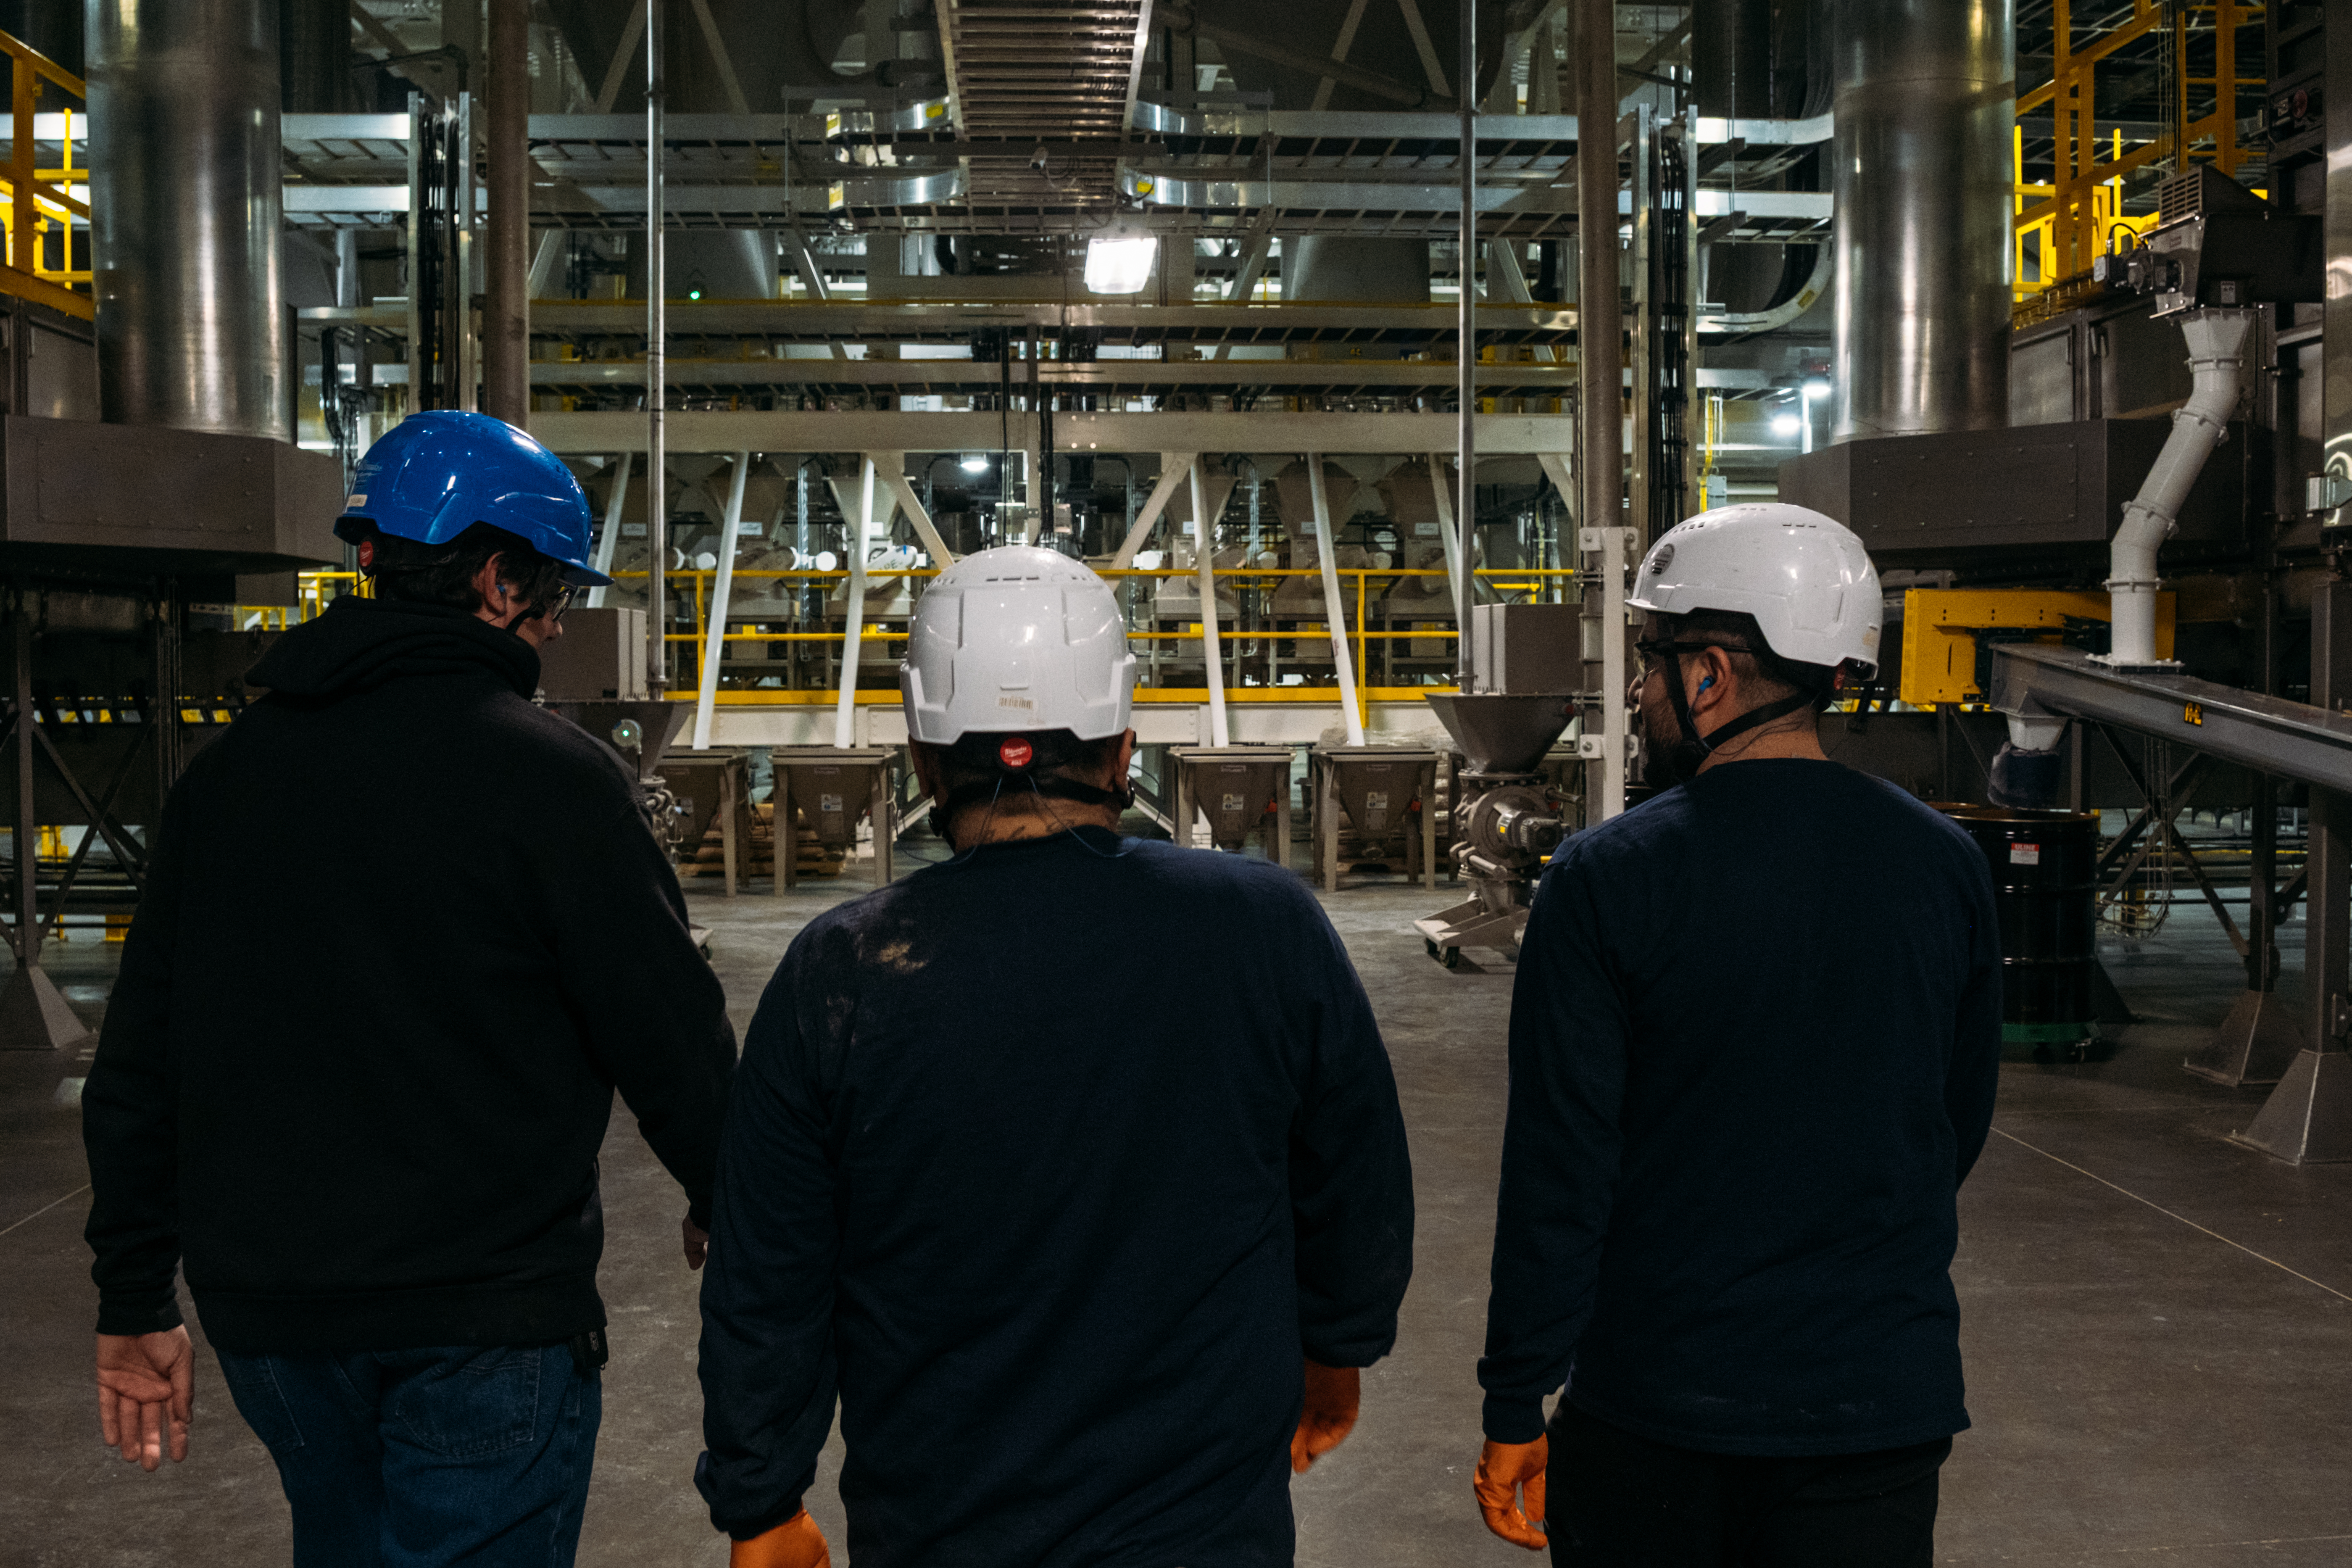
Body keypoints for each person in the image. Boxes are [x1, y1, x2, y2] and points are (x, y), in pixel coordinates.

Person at [82, 411, 736, 1567]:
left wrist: (134, 1296)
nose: (552, 626)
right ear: (494, 580)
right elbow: (666, 1031)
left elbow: (141, 1056)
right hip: (484, 1317)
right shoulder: (552, 780)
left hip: (273, 1322)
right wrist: (730, 1193)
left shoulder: (229, 778)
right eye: (550, 601)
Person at [696, 544, 1415, 1568]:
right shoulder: (1261, 926)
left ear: (921, 761)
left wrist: (761, 1496)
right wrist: (1339, 1344)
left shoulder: (839, 972)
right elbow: (1356, 1172)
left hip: (938, 1527)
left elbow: (769, 1264)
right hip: (1203, 1530)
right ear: (1125, 751)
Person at [1474, 503, 2002, 1565]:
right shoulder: (1943, 863)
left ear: (1710, 675)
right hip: (1877, 1402)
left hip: (1658, 1408)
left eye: (1650, 662)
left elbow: (1562, 1167)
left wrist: (1514, 1397)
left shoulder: (1608, 879)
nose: (1637, 692)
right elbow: (1957, 1116)